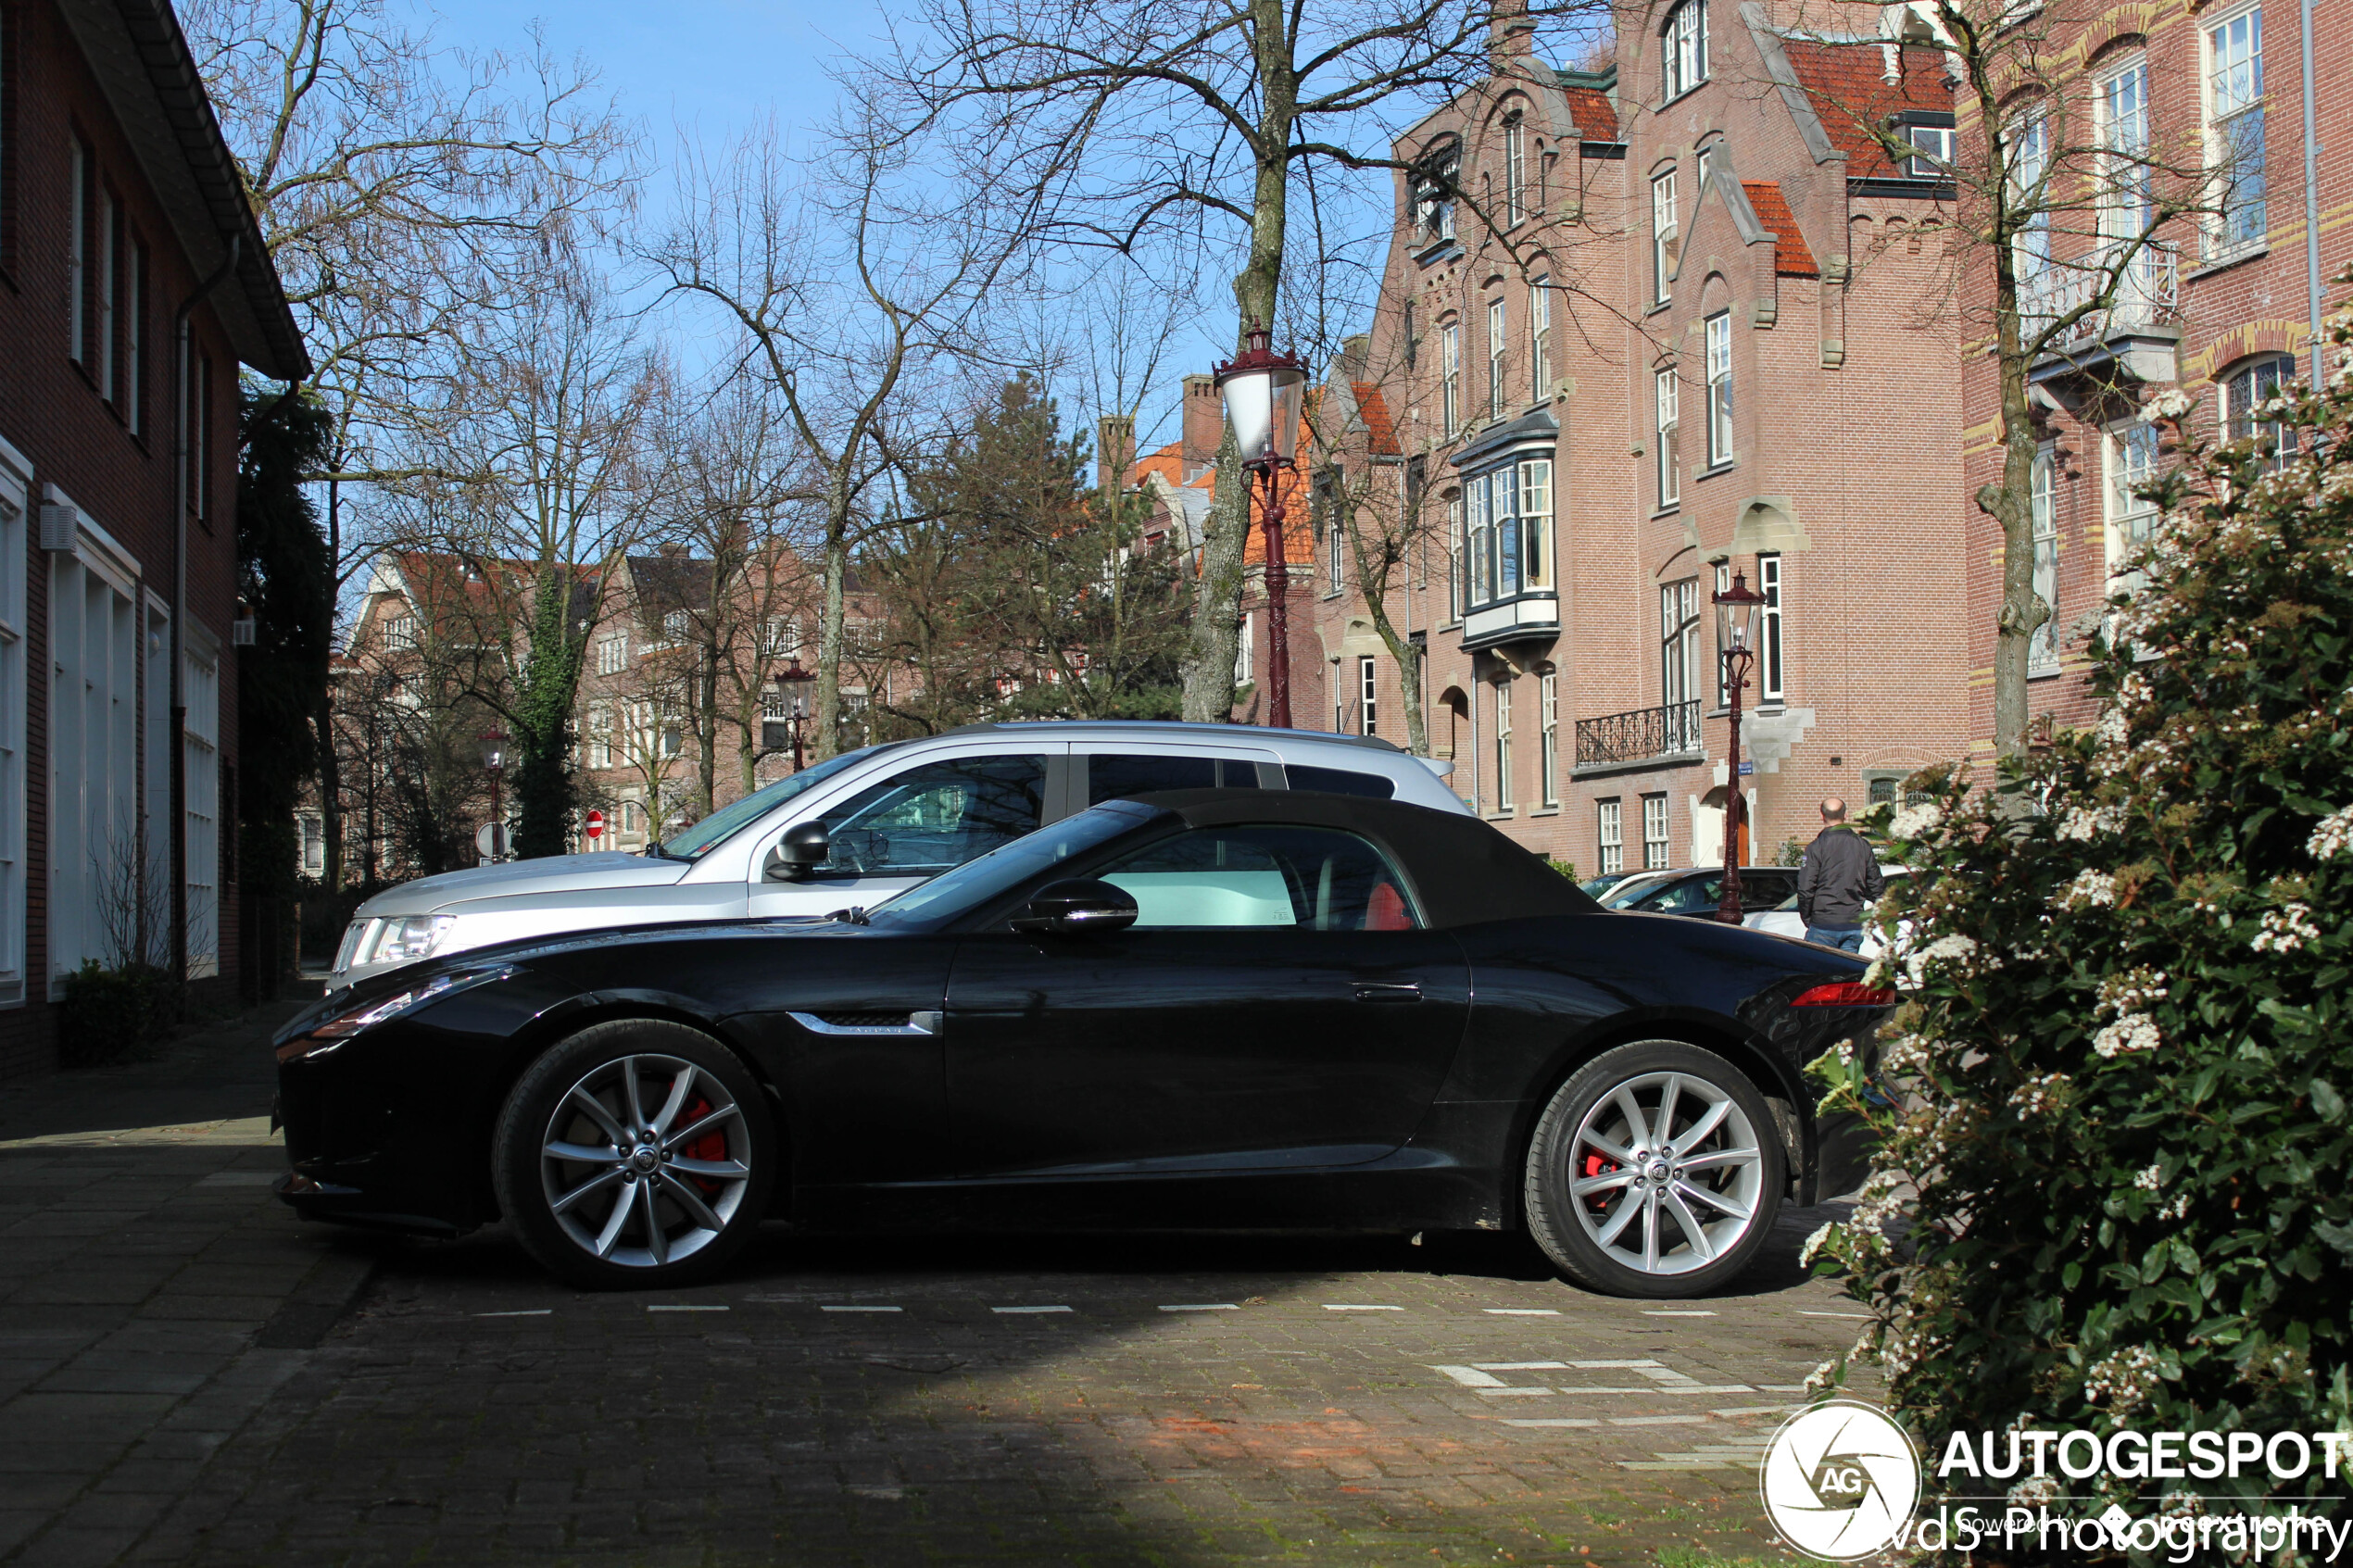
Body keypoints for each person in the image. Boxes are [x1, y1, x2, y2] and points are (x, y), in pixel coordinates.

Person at [1795, 797, 1883, 952]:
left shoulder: (1816, 848)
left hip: (1824, 921)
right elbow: (1876, 885)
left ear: (1822, 816)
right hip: (1853, 921)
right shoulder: (1862, 845)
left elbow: (1805, 887)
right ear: (1846, 815)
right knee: (1845, 973)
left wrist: (1808, 917)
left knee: (1818, 972)